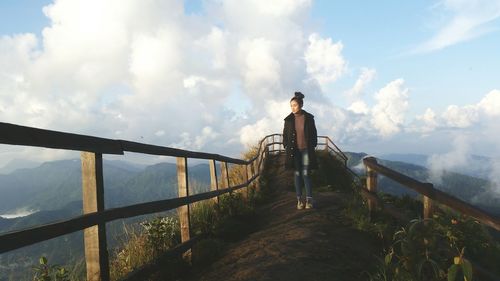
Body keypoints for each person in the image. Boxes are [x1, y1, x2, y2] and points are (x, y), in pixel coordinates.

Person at [282, 91, 318, 209]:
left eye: (295, 105)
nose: (293, 108)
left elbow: (314, 133)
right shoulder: (288, 120)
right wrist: (286, 145)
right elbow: (285, 134)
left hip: (306, 151)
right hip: (294, 152)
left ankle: (309, 200)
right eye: (291, 105)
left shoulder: (309, 118)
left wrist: (313, 144)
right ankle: (299, 200)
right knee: (297, 174)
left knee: (306, 174)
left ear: (301, 105)